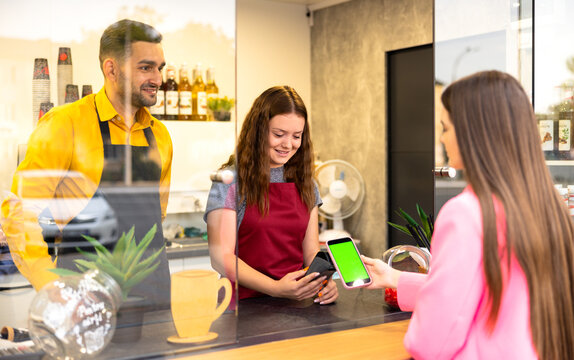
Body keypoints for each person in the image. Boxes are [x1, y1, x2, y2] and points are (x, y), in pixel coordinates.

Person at [362, 71, 574, 359]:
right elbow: (490, 291)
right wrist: (396, 278)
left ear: (472, 133)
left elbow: (432, 341)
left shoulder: (466, 213)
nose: (442, 138)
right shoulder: (549, 208)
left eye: (446, 128)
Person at [0, 19, 173, 309]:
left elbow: (157, 217)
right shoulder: (64, 124)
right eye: (146, 67)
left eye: (160, 68)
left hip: (153, 295)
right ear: (111, 69)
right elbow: (19, 211)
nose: (157, 78)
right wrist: (49, 283)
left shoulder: (160, 135)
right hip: (82, 298)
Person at [205, 86, 338, 305]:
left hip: (295, 304)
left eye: (297, 136)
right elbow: (221, 258)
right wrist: (275, 288)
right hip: (241, 305)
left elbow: (311, 252)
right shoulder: (228, 180)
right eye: (278, 134)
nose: (288, 144)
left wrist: (322, 283)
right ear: (258, 130)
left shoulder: (306, 183)